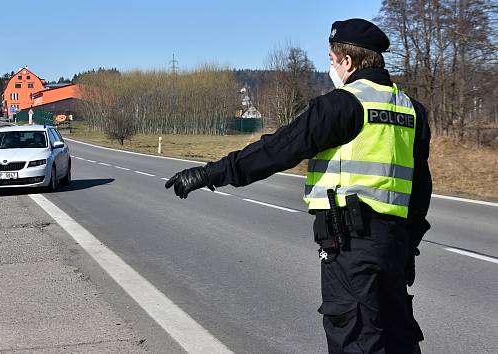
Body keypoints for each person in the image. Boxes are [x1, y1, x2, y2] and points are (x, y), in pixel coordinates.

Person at [165, 18, 431, 354]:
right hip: (394, 247)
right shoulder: (411, 110)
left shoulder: (343, 104)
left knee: (356, 340)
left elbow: (278, 149)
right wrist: (408, 248)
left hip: (351, 247)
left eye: (332, 61)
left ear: (347, 61)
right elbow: (421, 188)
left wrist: (209, 174)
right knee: (397, 339)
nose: (332, 68)